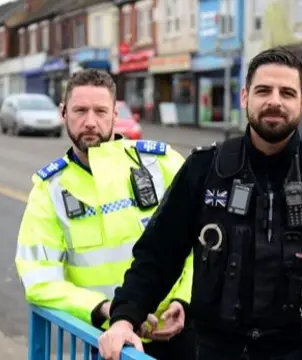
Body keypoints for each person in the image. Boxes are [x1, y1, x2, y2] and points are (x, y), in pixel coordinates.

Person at [98, 47, 302, 360]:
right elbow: (158, 256)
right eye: (263, 90)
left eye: (287, 92)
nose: (275, 101)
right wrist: (123, 319)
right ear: (245, 97)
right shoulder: (204, 169)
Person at [14, 69, 196, 359]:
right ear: (63, 113)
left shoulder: (162, 164)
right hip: (107, 343)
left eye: (100, 111)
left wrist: (183, 299)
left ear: (114, 113)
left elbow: (200, 243)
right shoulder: (48, 191)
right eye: (80, 110)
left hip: (179, 333)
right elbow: (38, 278)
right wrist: (103, 309)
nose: (90, 122)